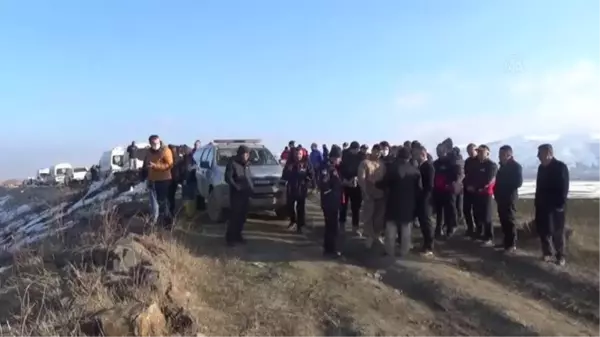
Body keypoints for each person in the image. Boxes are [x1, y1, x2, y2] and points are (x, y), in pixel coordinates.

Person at [377, 147, 422, 257]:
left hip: (393, 202)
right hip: (409, 204)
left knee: (391, 228)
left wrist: (376, 184)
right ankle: (404, 251)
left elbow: (384, 183)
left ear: (398, 156)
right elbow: (419, 189)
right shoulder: (415, 171)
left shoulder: (393, 168)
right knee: (406, 229)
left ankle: (389, 251)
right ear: (409, 157)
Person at [534, 144, 570, 266]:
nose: (538, 156)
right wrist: (537, 202)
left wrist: (560, 204)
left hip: (555, 206)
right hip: (542, 205)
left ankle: (560, 256)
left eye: (540, 153)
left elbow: (564, 187)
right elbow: (538, 187)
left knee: (557, 231)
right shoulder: (541, 168)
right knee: (543, 230)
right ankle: (547, 253)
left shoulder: (560, 167)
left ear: (549, 153)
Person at [495, 145, 523, 253]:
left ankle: (512, 244)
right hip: (500, 197)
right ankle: (506, 242)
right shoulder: (502, 167)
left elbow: (518, 182)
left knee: (510, 220)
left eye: (502, 155)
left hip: (509, 197)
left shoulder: (516, 167)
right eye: (499, 155)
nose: (500, 157)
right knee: (503, 220)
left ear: (508, 155)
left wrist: (505, 184)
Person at [357, 144, 386, 249]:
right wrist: (365, 192)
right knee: (368, 216)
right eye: (376, 151)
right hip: (369, 194)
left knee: (379, 217)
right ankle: (370, 236)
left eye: (380, 151)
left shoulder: (382, 164)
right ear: (372, 150)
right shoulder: (365, 163)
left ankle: (377, 235)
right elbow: (361, 179)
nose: (378, 153)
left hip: (381, 194)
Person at [433, 139, 463, 238]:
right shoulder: (436, 163)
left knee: (450, 208)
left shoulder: (452, 161)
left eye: (441, 151)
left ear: (445, 151)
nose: (439, 153)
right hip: (438, 190)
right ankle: (439, 228)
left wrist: (452, 184)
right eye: (437, 152)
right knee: (439, 210)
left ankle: (451, 227)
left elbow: (458, 174)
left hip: (449, 189)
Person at [224, 145, 254, 246]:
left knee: (242, 216)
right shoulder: (233, 163)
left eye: (248, 154)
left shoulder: (247, 164)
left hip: (246, 194)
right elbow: (228, 178)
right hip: (236, 194)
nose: (247, 156)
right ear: (241, 154)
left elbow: (248, 178)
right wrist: (237, 187)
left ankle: (238, 235)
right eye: (246, 154)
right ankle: (230, 238)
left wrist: (251, 188)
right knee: (235, 216)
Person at [281, 147, 315, 233]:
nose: (298, 156)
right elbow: (284, 175)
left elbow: (311, 175)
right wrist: (288, 172)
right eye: (296, 154)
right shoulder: (290, 163)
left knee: (301, 207)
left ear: (302, 154)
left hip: (301, 187)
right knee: (290, 206)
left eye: (299, 154)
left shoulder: (306, 163)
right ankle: (293, 221)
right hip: (291, 187)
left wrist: (308, 181)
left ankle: (301, 225)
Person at [144, 135, 174, 228]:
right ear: (150, 143)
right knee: (154, 202)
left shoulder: (165, 150)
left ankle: (167, 223)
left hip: (164, 179)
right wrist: (144, 172)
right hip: (152, 180)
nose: (155, 144)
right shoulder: (149, 152)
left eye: (157, 142)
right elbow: (145, 163)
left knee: (163, 201)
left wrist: (155, 166)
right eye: (153, 143)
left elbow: (169, 165)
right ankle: (158, 220)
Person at [471, 145, 498, 247]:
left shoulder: (492, 165)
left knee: (487, 216)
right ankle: (480, 234)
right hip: (476, 193)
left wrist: (478, 187)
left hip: (487, 194)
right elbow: (471, 176)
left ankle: (489, 237)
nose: (479, 154)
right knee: (477, 214)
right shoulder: (476, 165)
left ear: (487, 153)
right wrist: (471, 186)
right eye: (478, 152)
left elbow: (488, 180)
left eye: (482, 152)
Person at [320, 146, 344, 258]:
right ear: (335, 157)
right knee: (331, 227)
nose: (340, 160)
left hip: (333, 201)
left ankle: (329, 249)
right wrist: (331, 192)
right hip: (329, 202)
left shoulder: (332, 168)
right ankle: (330, 250)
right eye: (339, 158)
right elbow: (324, 185)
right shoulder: (328, 169)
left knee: (332, 226)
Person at [339, 141, 365, 233]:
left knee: (356, 207)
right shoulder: (344, 156)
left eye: (357, 149)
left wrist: (357, 178)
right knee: (343, 205)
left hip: (356, 185)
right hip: (345, 184)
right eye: (354, 149)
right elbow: (340, 169)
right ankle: (342, 224)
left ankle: (355, 226)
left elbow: (363, 170)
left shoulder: (361, 157)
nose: (355, 151)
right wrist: (345, 180)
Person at [415, 145, 435, 256]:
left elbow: (430, 185)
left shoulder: (429, 167)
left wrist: (424, 197)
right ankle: (425, 244)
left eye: (417, 154)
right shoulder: (421, 166)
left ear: (423, 154)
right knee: (422, 222)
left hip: (426, 199)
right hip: (420, 198)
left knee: (427, 222)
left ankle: (429, 246)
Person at [462, 143, 479, 237]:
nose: (470, 153)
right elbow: (466, 174)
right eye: (468, 151)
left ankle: (478, 229)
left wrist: (475, 187)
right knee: (466, 209)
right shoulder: (467, 161)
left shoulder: (479, 161)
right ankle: (470, 228)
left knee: (476, 210)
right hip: (467, 187)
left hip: (476, 189)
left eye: (471, 151)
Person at [452, 146, 465, 227]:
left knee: (457, 204)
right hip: (461, 184)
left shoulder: (456, 161)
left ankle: (459, 219)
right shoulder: (462, 161)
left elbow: (459, 173)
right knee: (459, 204)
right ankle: (460, 219)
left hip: (457, 184)